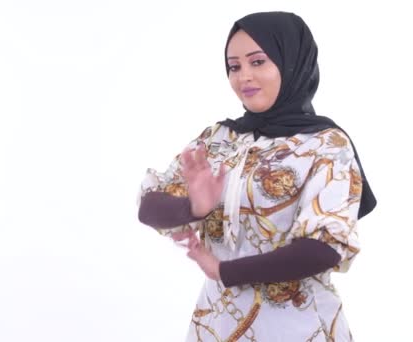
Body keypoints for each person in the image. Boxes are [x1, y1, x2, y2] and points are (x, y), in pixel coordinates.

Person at [137, 11, 376, 341]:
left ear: (292, 61)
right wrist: (194, 208)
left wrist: (224, 271)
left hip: (298, 326)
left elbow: (324, 249)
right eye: (234, 66)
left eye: (258, 61)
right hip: (218, 325)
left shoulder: (324, 145)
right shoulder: (220, 139)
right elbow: (149, 206)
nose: (243, 77)